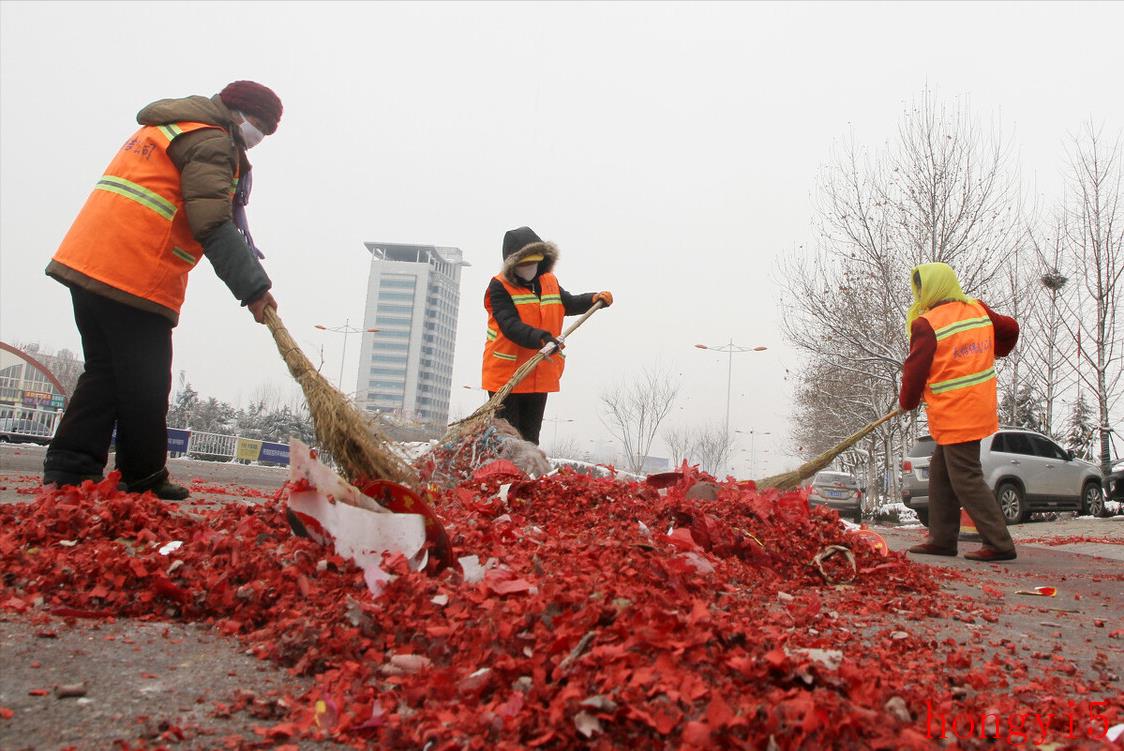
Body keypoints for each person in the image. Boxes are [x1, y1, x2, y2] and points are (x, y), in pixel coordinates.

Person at [42, 81, 283, 500]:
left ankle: (70, 470)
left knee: (105, 373)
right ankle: (143, 476)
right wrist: (254, 290)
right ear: (237, 112)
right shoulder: (210, 141)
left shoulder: (172, 125)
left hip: (90, 260)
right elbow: (212, 223)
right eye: (258, 126)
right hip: (134, 270)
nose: (257, 138)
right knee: (146, 383)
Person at [899, 262, 1019, 562]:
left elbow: (915, 370)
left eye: (920, 288)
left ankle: (1000, 542)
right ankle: (942, 539)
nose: (919, 293)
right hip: (977, 404)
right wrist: (997, 349)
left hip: (955, 411)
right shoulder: (977, 309)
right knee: (941, 472)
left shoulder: (927, 324)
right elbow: (1010, 328)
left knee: (965, 476)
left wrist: (908, 402)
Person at [482, 226, 613, 445]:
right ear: (513, 264)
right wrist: (542, 338)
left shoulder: (548, 281)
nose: (530, 268)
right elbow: (510, 325)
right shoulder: (499, 287)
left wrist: (594, 299)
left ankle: (524, 479)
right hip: (507, 377)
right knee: (507, 441)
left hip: (538, 374)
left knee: (530, 439)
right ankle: (503, 475)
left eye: (534, 262)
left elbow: (567, 303)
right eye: (525, 264)